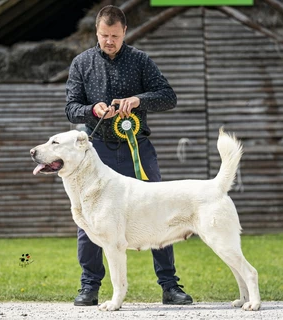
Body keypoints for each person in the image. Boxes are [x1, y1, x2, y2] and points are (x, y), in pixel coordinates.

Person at [65, 5, 193, 307]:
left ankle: (169, 286)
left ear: (125, 32)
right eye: (104, 35)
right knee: (90, 221)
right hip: (95, 157)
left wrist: (139, 100)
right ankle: (89, 286)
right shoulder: (81, 63)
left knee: (160, 210)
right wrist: (91, 109)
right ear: (96, 32)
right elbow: (70, 107)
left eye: (115, 36)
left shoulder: (140, 61)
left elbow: (168, 96)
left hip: (138, 150)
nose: (109, 41)